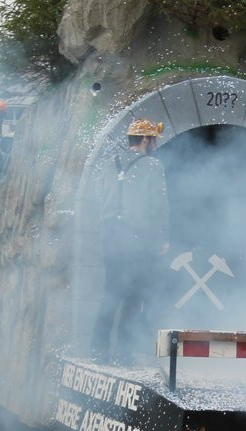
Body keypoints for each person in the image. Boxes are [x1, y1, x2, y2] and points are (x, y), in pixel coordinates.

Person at [91, 118, 170, 365]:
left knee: (111, 293)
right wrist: (162, 238)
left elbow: (98, 196)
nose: (155, 143)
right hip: (137, 237)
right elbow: (159, 205)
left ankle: (99, 350)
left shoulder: (108, 165)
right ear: (145, 139)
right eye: (153, 138)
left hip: (110, 234)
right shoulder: (152, 166)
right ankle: (124, 354)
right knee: (134, 296)